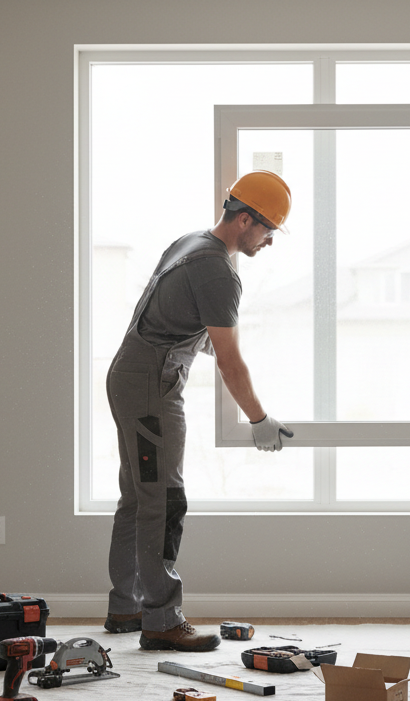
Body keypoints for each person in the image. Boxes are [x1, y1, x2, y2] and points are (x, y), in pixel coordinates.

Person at [104, 170, 295, 651]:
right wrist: (259, 420)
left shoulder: (191, 242)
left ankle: (125, 606)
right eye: (268, 229)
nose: (269, 241)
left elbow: (182, 324)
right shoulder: (217, 270)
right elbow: (228, 362)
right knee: (164, 500)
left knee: (138, 495)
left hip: (131, 375)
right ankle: (162, 619)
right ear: (246, 219)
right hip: (151, 387)